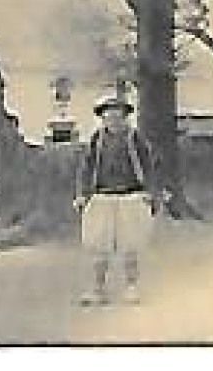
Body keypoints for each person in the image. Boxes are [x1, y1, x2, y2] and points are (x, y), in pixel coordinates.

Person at [73, 94, 161, 306]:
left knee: (130, 244)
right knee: (99, 245)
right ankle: (97, 289)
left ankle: (131, 287)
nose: (112, 119)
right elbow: (86, 168)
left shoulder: (135, 138)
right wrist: (82, 194)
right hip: (102, 197)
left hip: (130, 197)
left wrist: (150, 192)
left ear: (125, 117)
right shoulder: (97, 139)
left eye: (117, 115)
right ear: (102, 118)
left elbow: (149, 166)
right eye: (108, 115)